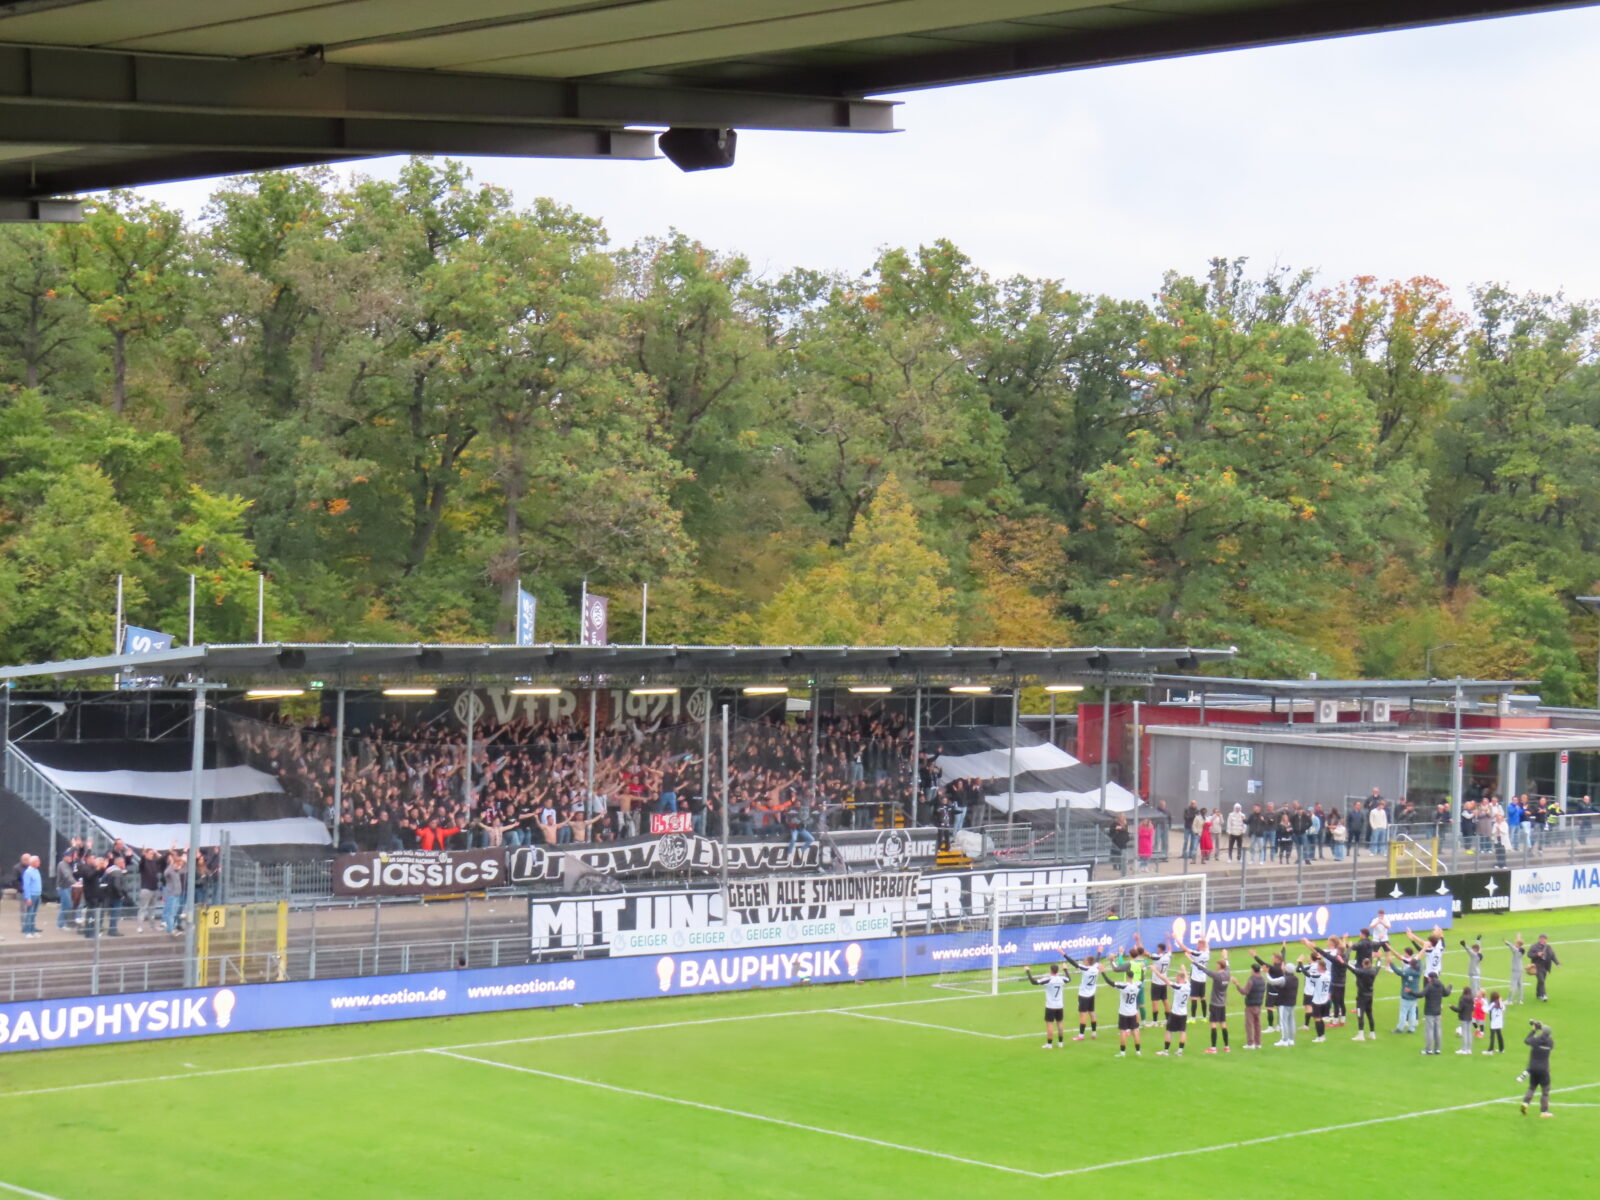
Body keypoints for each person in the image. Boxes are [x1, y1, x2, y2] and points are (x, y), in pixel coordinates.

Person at [1190, 952, 1232, 1054]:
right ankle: (1226, 1046)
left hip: (1215, 1003)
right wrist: (1225, 957)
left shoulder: (1217, 975)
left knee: (1213, 1024)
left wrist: (1194, 962)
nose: (1216, 966)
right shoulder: (1227, 974)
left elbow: (1205, 970)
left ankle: (1213, 1048)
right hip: (1222, 1003)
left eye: (1217, 964)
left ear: (1220, 966)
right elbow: (1227, 965)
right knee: (1223, 1024)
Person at [1024, 963, 1070, 1049]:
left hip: (1050, 1006)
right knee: (1060, 1024)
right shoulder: (1062, 979)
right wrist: (1065, 969)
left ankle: (1049, 1044)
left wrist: (1027, 971)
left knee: (1050, 1025)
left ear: (1050, 970)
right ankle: (1060, 1043)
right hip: (1060, 1005)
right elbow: (1069, 979)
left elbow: (1033, 982)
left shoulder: (1048, 980)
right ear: (1057, 970)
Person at [1060, 951, 1104, 1041]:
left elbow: (1073, 963)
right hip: (1091, 995)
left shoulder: (1086, 969)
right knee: (1092, 1013)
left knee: (1083, 1015)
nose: (1084, 961)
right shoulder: (1096, 968)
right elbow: (1096, 960)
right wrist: (1099, 951)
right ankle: (1094, 1033)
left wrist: (1063, 953)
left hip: (1083, 996)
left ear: (1088, 962)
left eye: (1085, 960)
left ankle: (1081, 1035)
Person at [1150, 960, 1191, 1056]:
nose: (1176, 979)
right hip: (1184, 1013)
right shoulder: (1188, 985)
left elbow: (1165, 980)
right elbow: (1186, 977)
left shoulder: (1178, 987)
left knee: (1169, 1031)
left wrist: (1155, 971)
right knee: (1183, 1032)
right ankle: (1180, 1051)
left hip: (1175, 1013)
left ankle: (1166, 1051)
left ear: (1180, 979)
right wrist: (1184, 969)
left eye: (1177, 978)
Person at [1295, 946, 1333, 1042]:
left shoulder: (1318, 976)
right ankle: (1322, 1036)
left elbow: (1306, 973)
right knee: (1320, 1019)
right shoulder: (1328, 974)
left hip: (1317, 1000)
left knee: (1317, 1019)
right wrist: (1319, 959)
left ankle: (1320, 1037)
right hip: (1324, 999)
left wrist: (1300, 962)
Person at [1105, 967, 1144, 1057]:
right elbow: (1142, 979)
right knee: (1135, 1031)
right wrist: (1142, 970)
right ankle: (1138, 1051)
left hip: (1124, 1013)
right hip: (1133, 1012)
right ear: (1133, 977)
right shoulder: (1137, 985)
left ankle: (1122, 1052)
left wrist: (1103, 972)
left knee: (1123, 1031)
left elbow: (1110, 982)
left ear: (1127, 976)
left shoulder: (1123, 986)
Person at [1520, 1021, 1555, 1117]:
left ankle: (1525, 1103)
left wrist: (1533, 1031)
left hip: (1533, 1068)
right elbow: (1550, 1040)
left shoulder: (1536, 1040)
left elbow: (1527, 1040)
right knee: (1545, 1091)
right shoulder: (1550, 1042)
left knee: (1532, 1087)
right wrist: (1543, 1028)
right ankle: (1544, 1112)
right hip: (1544, 1069)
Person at [1386, 948, 1422, 1034]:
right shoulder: (1419, 971)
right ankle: (1412, 1028)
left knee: (1403, 1012)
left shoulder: (1408, 971)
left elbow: (1398, 972)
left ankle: (1400, 1028)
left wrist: (1391, 963)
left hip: (1406, 996)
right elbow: (1419, 961)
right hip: (1414, 995)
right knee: (1412, 1012)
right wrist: (1419, 958)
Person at [1234, 961, 1267, 1049]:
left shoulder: (1251, 980)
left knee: (1249, 1025)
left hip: (1251, 1005)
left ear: (1253, 970)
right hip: (1258, 1005)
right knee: (1257, 1025)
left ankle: (1250, 1043)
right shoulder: (1262, 979)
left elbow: (1245, 992)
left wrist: (1237, 985)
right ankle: (1258, 1043)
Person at [1420, 972, 1453, 1056]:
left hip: (1429, 1011)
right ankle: (1437, 1049)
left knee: (1429, 1031)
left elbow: (1421, 994)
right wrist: (1450, 987)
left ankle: (1428, 1050)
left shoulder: (1429, 986)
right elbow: (1446, 993)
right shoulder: (1440, 984)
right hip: (1438, 1011)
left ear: (1431, 978)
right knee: (1438, 1030)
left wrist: (1411, 992)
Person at [1528, 934, 1560, 1001]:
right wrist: (1537, 954)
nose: (1543, 940)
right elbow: (1529, 954)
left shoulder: (1548, 947)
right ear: (1539, 939)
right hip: (1537, 966)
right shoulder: (1534, 946)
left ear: (1546, 940)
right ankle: (1544, 995)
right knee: (1541, 981)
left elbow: (1553, 956)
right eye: (1541, 938)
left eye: (1544, 939)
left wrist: (1557, 963)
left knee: (1541, 981)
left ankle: (1538, 994)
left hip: (1545, 966)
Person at [19, 854, 41, 938]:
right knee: (30, 913)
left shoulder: (37, 871)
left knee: (34, 914)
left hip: (37, 894)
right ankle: (27, 931)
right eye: (37, 861)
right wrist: (28, 898)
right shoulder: (28, 872)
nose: (39, 862)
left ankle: (33, 930)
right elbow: (26, 886)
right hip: (31, 895)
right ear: (33, 862)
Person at [1453, 985, 1476, 1055]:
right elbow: (1473, 1009)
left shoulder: (1462, 999)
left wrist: (1452, 1007)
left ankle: (1464, 1049)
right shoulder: (1472, 999)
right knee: (1469, 1033)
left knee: (1464, 1033)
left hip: (1463, 1018)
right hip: (1469, 1017)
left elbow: (1459, 1009)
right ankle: (1469, 1049)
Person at [1505, 935, 1527, 1004]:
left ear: (1518, 945)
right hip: (1520, 969)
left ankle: (1510, 1000)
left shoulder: (1516, 951)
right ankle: (1520, 1000)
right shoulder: (1521, 950)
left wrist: (1507, 942)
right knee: (1520, 985)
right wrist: (1518, 938)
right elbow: (1518, 946)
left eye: (1516, 943)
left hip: (1516, 970)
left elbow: (1512, 947)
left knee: (1513, 984)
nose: (1515, 944)